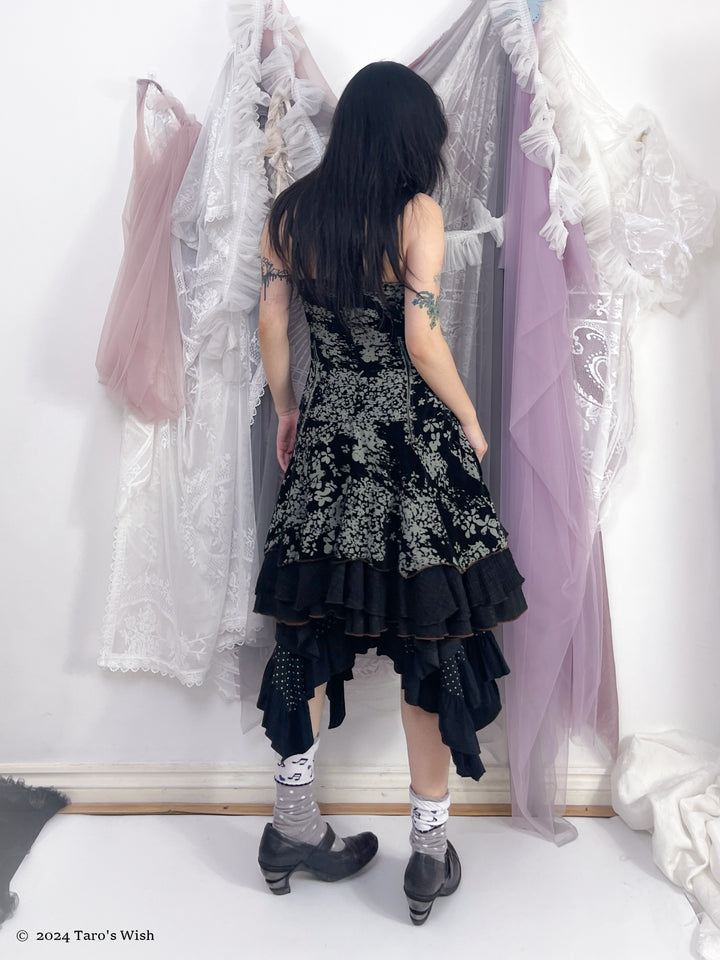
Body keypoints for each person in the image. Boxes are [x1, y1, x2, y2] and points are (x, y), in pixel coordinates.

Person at [253, 60, 527, 925]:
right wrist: (471, 421)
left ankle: (291, 828)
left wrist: (289, 409)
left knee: (303, 634)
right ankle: (429, 854)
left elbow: (271, 321)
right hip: (410, 452)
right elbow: (422, 338)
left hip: (329, 444)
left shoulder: (291, 213)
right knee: (429, 641)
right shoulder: (416, 213)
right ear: (410, 135)